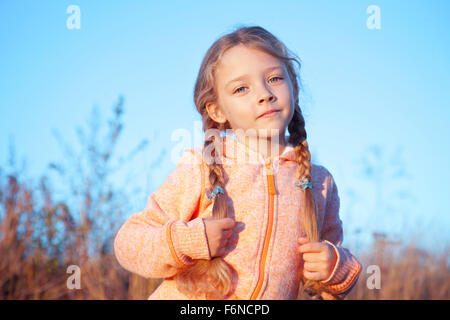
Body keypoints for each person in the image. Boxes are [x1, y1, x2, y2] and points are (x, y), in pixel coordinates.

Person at [114, 25, 362, 300]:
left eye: (275, 78)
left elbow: (325, 285)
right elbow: (128, 243)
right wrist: (188, 241)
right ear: (217, 110)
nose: (264, 93)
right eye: (241, 88)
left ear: (294, 86)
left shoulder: (320, 183)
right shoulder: (200, 166)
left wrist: (336, 268)